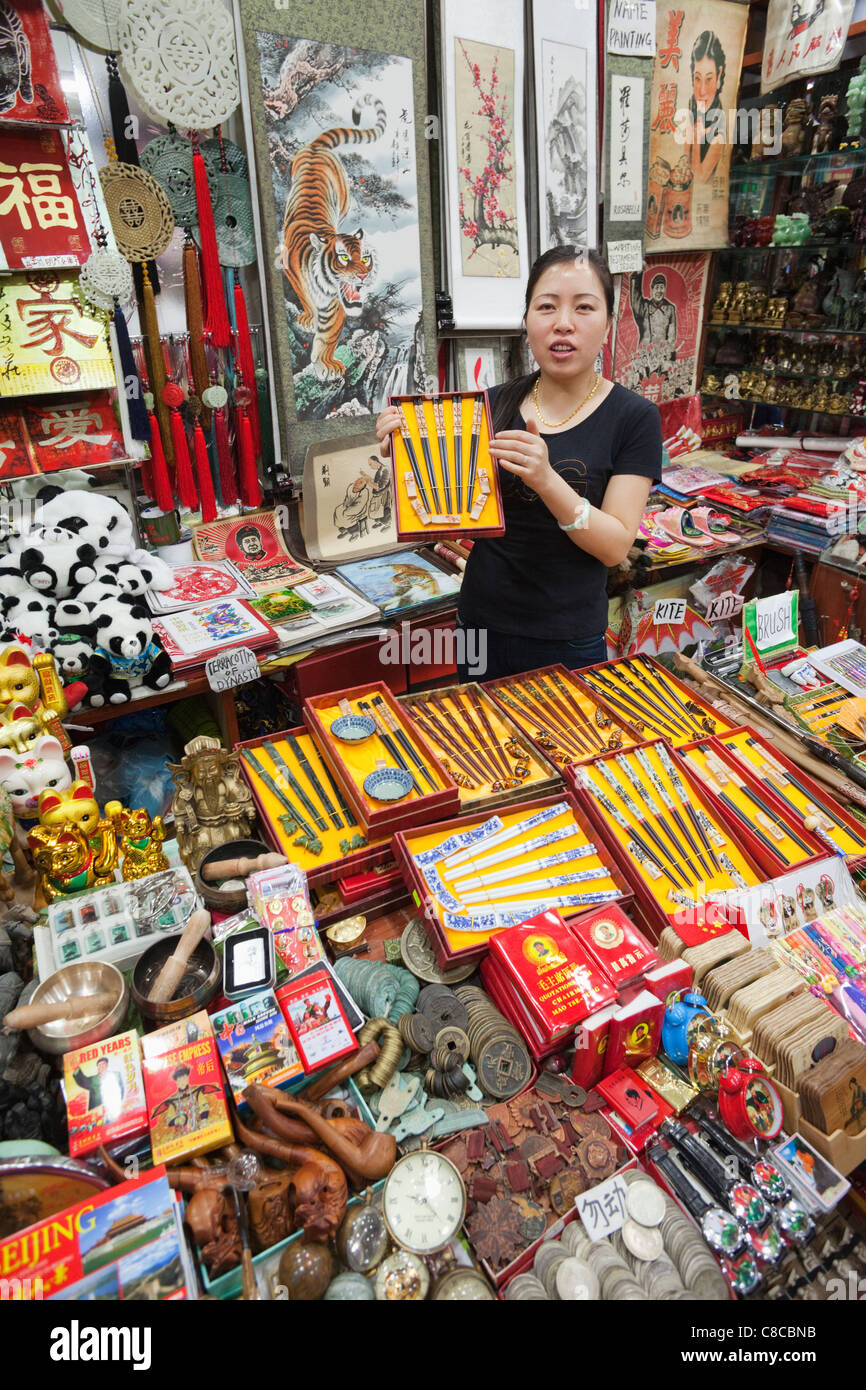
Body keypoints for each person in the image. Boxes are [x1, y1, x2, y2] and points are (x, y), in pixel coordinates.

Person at [376, 245, 662, 681]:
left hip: (567, 636)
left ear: (607, 324)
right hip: (480, 623)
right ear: (527, 322)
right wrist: (409, 454)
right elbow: (449, 511)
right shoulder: (492, 404)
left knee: (566, 747)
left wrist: (547, 479)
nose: (563, 323)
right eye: (546, 307)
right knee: (479, 743)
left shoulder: (634, 418)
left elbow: (616, 546)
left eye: (584, 307)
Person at [688, 30, 726, 184]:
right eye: (697, 78)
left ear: (719, 76)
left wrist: (696, 139)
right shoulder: (692, 104)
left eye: (709, 79)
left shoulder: (719, 131)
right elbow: (684, 160)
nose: (702, 90)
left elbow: (699, 179)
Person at [629, 271, 678, 382]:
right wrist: (637, 278)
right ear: (651, 289)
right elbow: (635, 299)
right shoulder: (644, 307)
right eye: (656, 287)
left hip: (661, 357)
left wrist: (667, 355)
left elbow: (672, 335)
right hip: (644, 356)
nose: (659, 291)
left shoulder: (670, 308)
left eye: (662, 287)